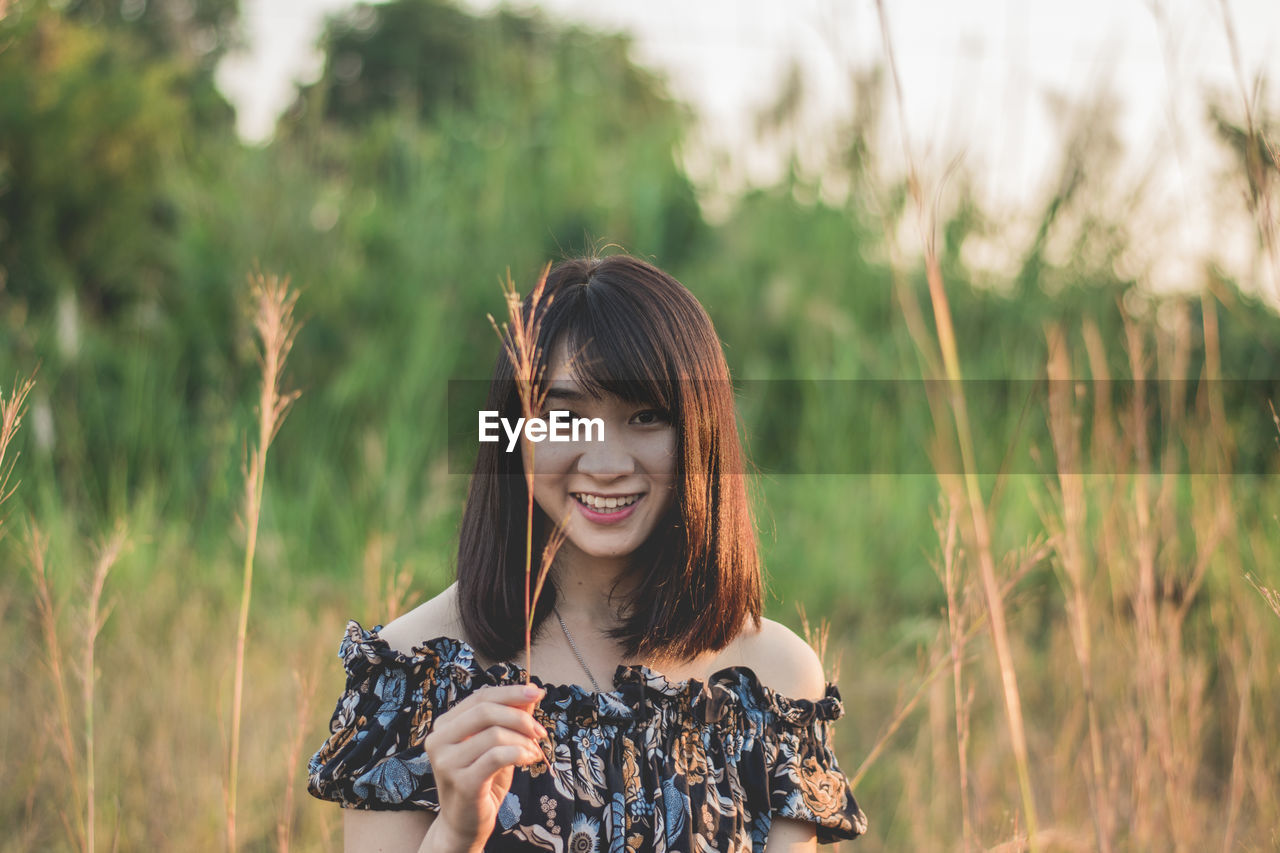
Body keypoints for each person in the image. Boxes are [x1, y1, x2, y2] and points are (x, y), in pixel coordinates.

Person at [307, 255, 867, 852]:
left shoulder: (770, 685)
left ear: (699, 433)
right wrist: (456, 834)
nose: (606, 465)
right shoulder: (408, 677)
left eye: (646, 416)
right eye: (565, 417)